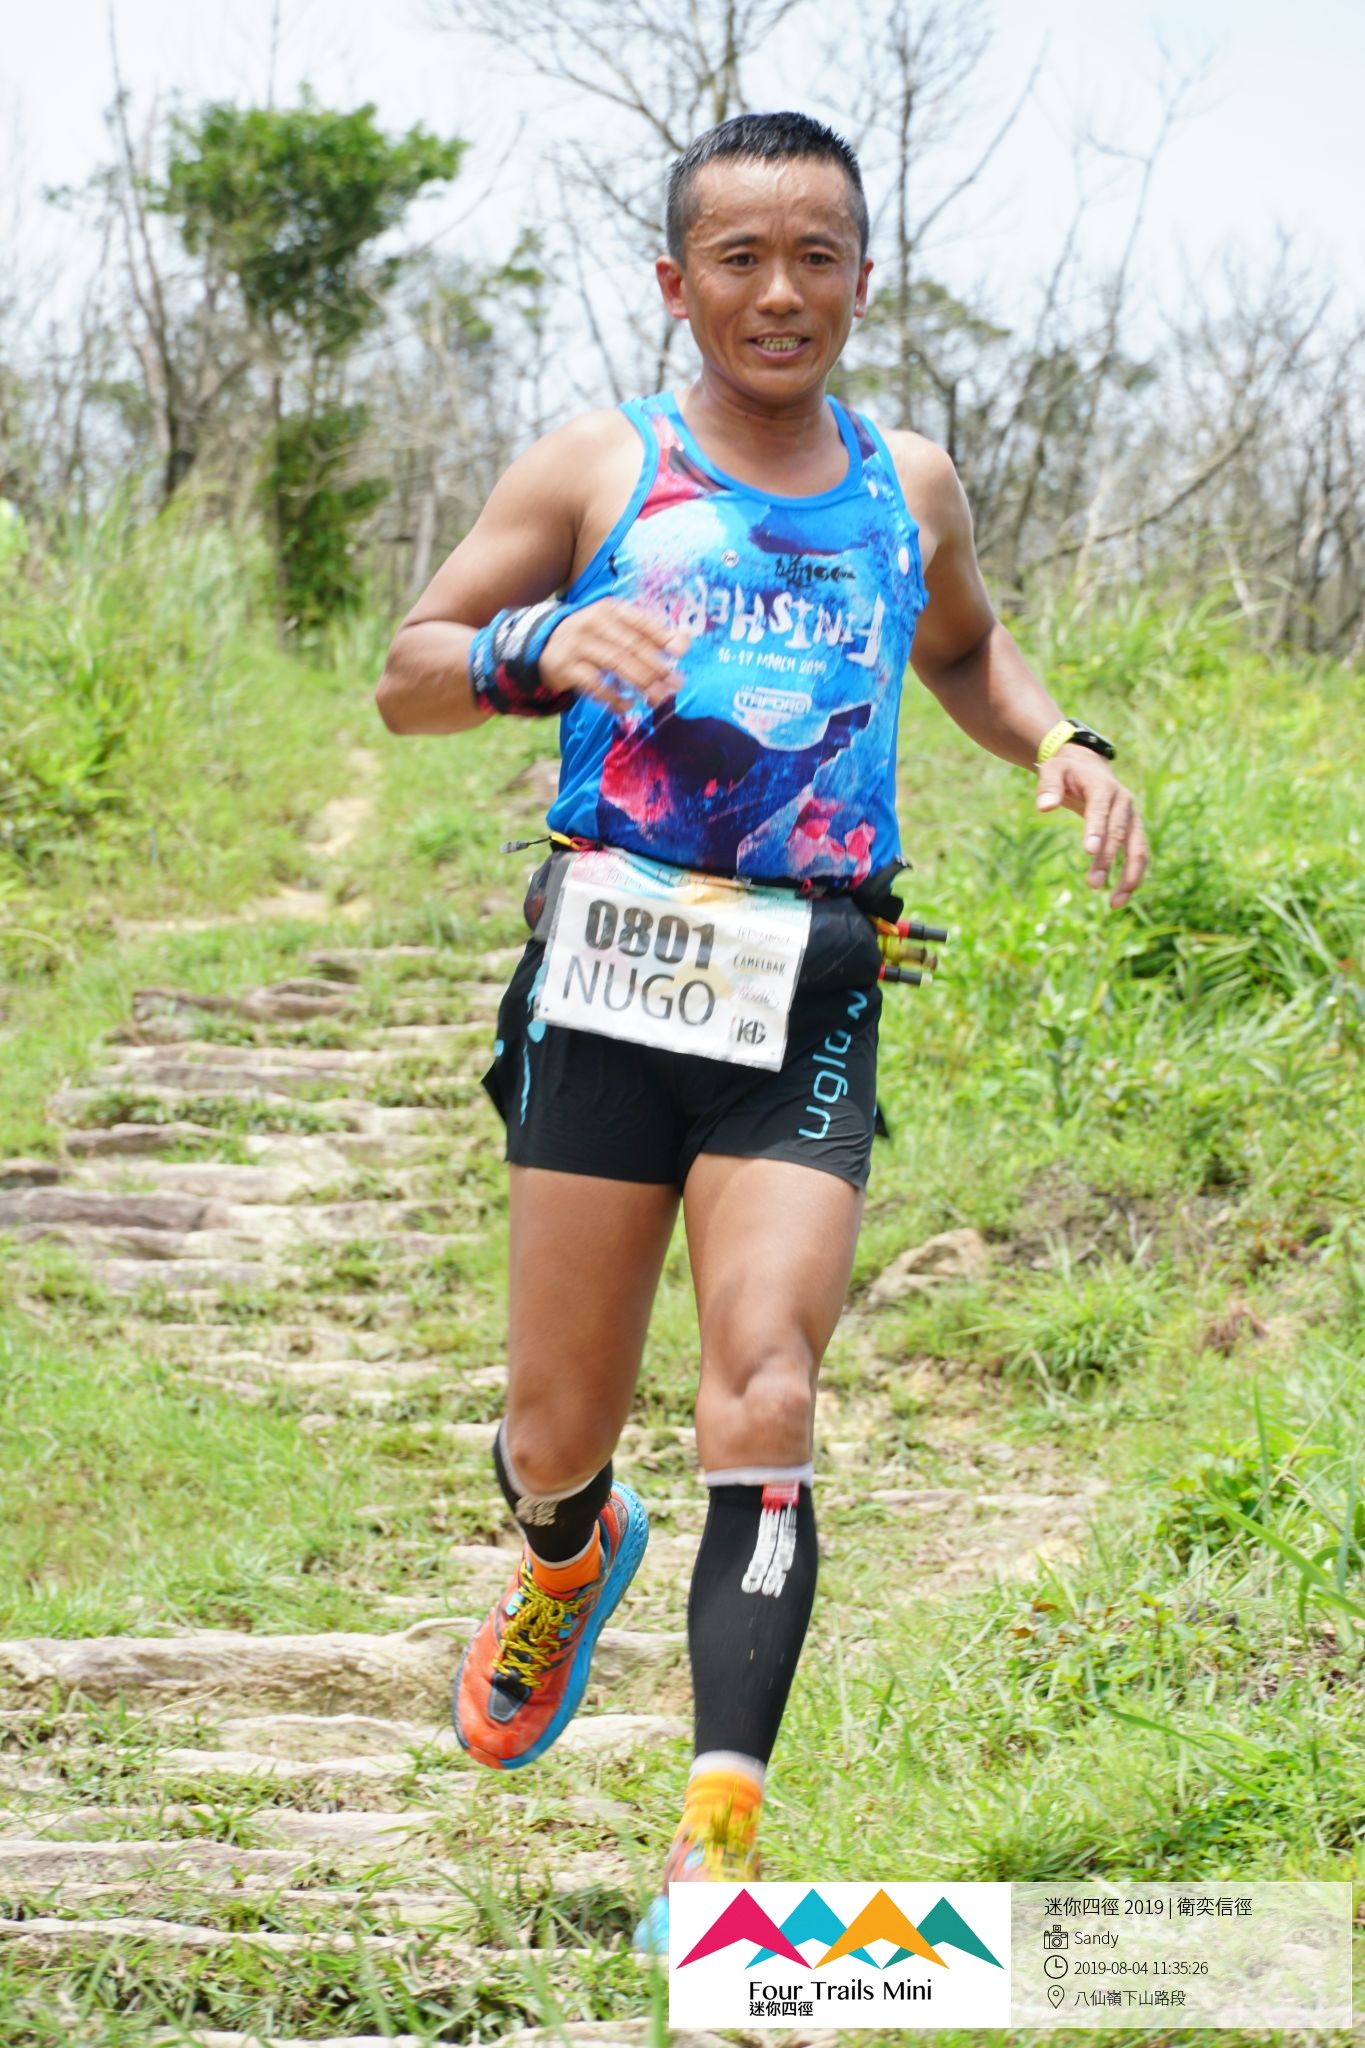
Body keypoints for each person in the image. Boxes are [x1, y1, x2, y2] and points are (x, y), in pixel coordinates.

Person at [374, 110, 1148, 1952]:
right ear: (677, 283)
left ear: (864, 277)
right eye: (740, 259)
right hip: (610, 980)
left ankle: (716, 1854)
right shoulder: (601, 464)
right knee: (554, 1429)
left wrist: (1058, 739)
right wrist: (533, 648)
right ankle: (568, 1555)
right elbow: (409, 673)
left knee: (770, 1386)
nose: (779, 292)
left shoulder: (907, 483)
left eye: (815, 258)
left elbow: (958, 649)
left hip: (808, 981)